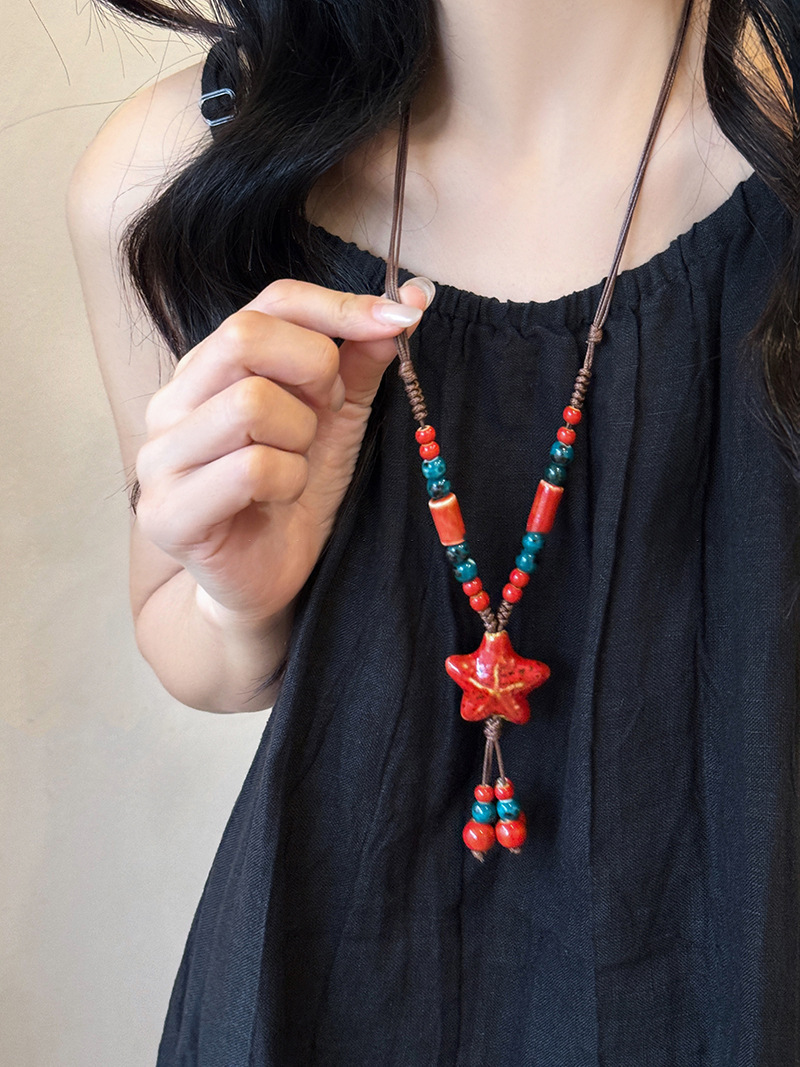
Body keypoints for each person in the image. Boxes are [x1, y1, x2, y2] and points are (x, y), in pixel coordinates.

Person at [68, 0, 799, 1062]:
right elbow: (188, 644)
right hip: (326, 975)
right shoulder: (174, 170)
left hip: (740, 953)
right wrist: (237, 599)